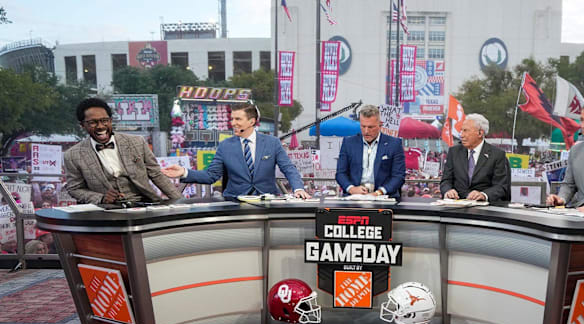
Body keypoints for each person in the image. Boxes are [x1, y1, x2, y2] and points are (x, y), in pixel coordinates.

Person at [163, 103, 310, 199]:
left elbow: (288, 168)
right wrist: (184, 172)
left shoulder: (272, 143)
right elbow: (211, 176)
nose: (233, 123)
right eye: (232, 119)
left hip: (267, 202)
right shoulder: (225, 146)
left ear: (251, 121)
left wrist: (298, 188)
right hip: (235, 204)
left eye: (238, 119)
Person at [64, 98, 182, 205]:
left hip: (144, 204)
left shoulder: (137, 142)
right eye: (93, 122)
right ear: (82, 125)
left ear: (110, 121)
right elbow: (75, 189)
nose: (100, 126)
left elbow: (156, 174)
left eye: (104, 120)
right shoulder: (73, 155)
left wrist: (181, 202)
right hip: (103, 211)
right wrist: (101, 198)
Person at [335, 104, 405, 198]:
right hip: (354, 197)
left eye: (371, 127)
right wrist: (351, 189)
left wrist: (379, 192)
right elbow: (340, 173)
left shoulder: (394, 144)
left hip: (384, 197)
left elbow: (398, 176)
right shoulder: (348, 143)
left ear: (380, 125)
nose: (366, 131)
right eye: (363, 126)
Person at [440, 114, 509, 201]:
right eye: (461, 131)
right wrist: (448, 191)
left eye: (466, 131)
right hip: (457, 205)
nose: (462, 135)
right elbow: (446, 181)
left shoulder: (497, 155)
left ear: (480, 133)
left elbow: (501, 186)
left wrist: (484, 195)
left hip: (484, 208)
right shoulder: (454, 152)